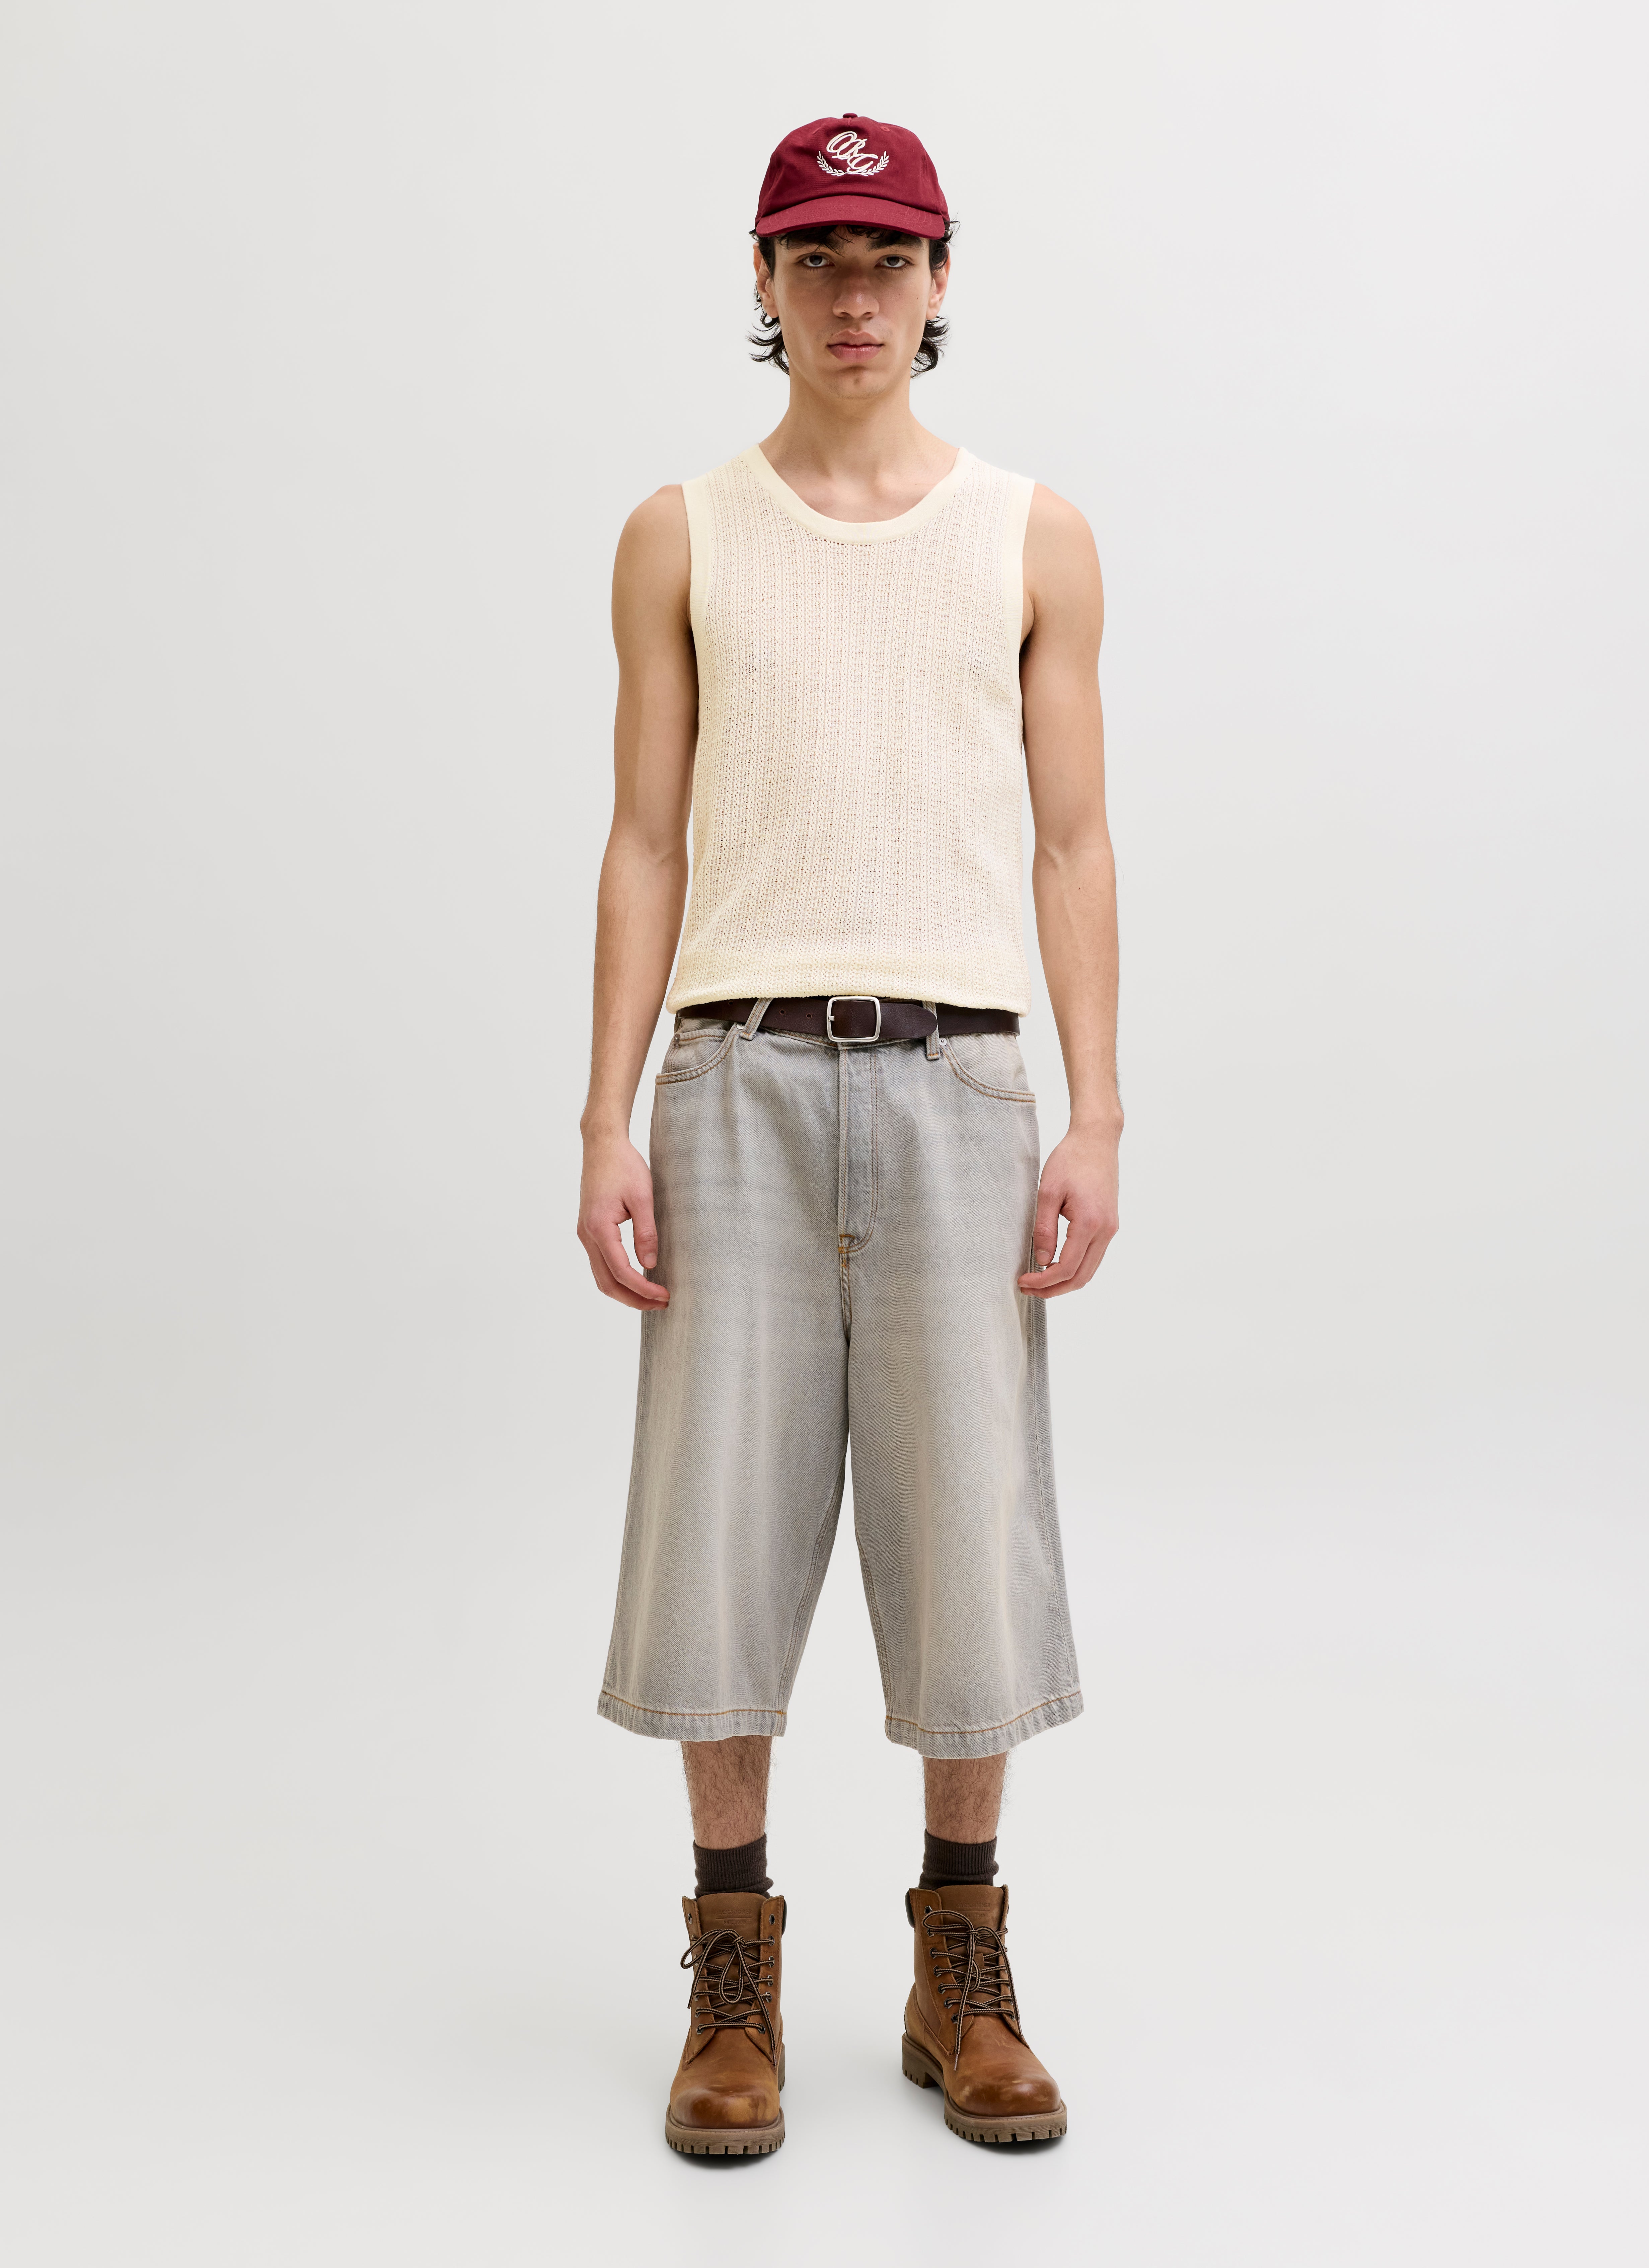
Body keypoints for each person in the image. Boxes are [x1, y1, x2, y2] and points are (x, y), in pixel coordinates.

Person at [578, 111, 1119, 2155]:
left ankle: (957, 1958)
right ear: (766, 281)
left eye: (891, 256)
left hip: (963, 1075)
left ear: (944, 279)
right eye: (818, 257)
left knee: (970, 1524)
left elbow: (1074, 841)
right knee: (717, 1524)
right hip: (737, 1073)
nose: (857, 293)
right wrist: (606, 1113)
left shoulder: (1033, 536)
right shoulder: (681, 534)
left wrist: (1099, 1109)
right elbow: (644, 838)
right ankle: (733, 1969)